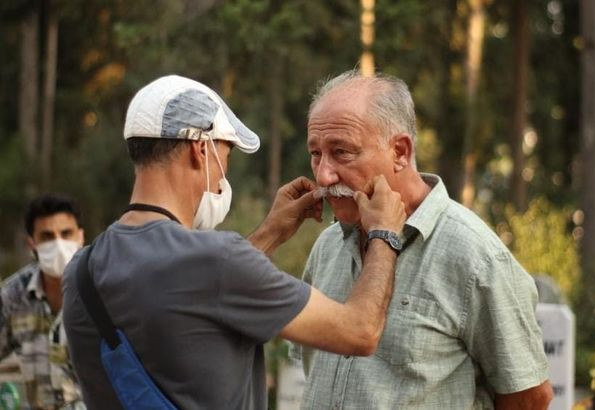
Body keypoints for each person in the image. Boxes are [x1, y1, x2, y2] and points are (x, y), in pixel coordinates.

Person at [62, 75, 407, 410]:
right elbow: (360, 331)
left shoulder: (82, 271)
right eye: (225, 154)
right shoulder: (218, 259)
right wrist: (384, 234)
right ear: (201, 150)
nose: (224, 174)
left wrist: (269, 233)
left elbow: (197, 296)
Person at [290, 70, 553, 409]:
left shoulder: (475, 256)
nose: (324, 174)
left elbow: (529, 397)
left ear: (400, 151)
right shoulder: (328, 246)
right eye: (316, 154)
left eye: (341, 152)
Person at [0, 194, 85, 409]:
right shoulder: (14, 296)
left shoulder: (104, 290)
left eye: (66, 234)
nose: (58, 243)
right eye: (47, 236)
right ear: (32, 244)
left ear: (80, 237)